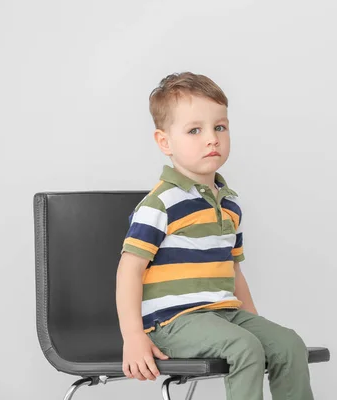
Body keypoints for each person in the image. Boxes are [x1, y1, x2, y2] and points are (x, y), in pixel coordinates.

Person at [115, 72, 314, 400]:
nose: (212, 139)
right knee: (244, 347)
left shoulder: (230, 204)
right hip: (172, 322)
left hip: (223, 313)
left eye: (219, 127)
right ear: (165, 142)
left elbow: (234, 270)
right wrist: (133, 336)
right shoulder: (161, 204)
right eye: (195, 130)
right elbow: (129, 270)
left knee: (289, 344)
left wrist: (254, 323)